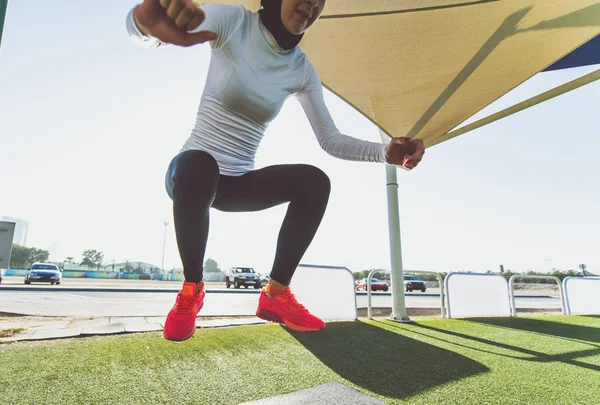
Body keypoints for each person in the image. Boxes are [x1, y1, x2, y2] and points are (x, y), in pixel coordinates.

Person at [126, 0, 425, 341]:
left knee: (314, 182)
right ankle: (191, 291)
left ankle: (276, 294)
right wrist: (143, 21)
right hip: (189, 175)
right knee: (201, 164)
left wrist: (384, 153)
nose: (312, 3)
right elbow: (158, 32)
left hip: (236, 184)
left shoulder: (300, 69)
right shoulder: (234, 21)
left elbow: (329, 139)